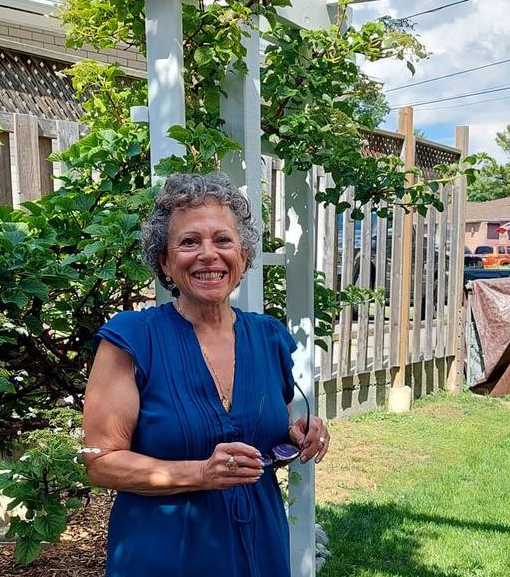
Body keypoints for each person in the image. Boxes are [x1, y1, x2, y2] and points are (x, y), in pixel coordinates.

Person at [82, 172, 330, 577]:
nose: (208, 254)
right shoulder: (131, 339)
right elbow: (99, 462)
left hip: (259, 549)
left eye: (223, 240)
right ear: (164, 260)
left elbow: (257, 432)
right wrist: (199, 473)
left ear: (244, 256)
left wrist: (295, 435)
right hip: (163, 556)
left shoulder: (268, 338)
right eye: (189, 242)